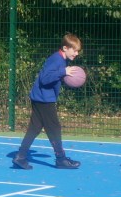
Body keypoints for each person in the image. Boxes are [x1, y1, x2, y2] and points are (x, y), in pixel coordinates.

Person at [12, 33, 83, 170]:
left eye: (78, 50)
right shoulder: (56, 60)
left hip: (40, 97)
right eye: (74, 50)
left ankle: (20, 157)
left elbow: (53, 77)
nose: (76, 53)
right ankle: (61, 159)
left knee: (34, 128)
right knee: (54, 128)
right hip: (44, 99)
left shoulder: (61, 60)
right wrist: (63, 72)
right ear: (65, 48)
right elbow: (45, 79)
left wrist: (64, 76)